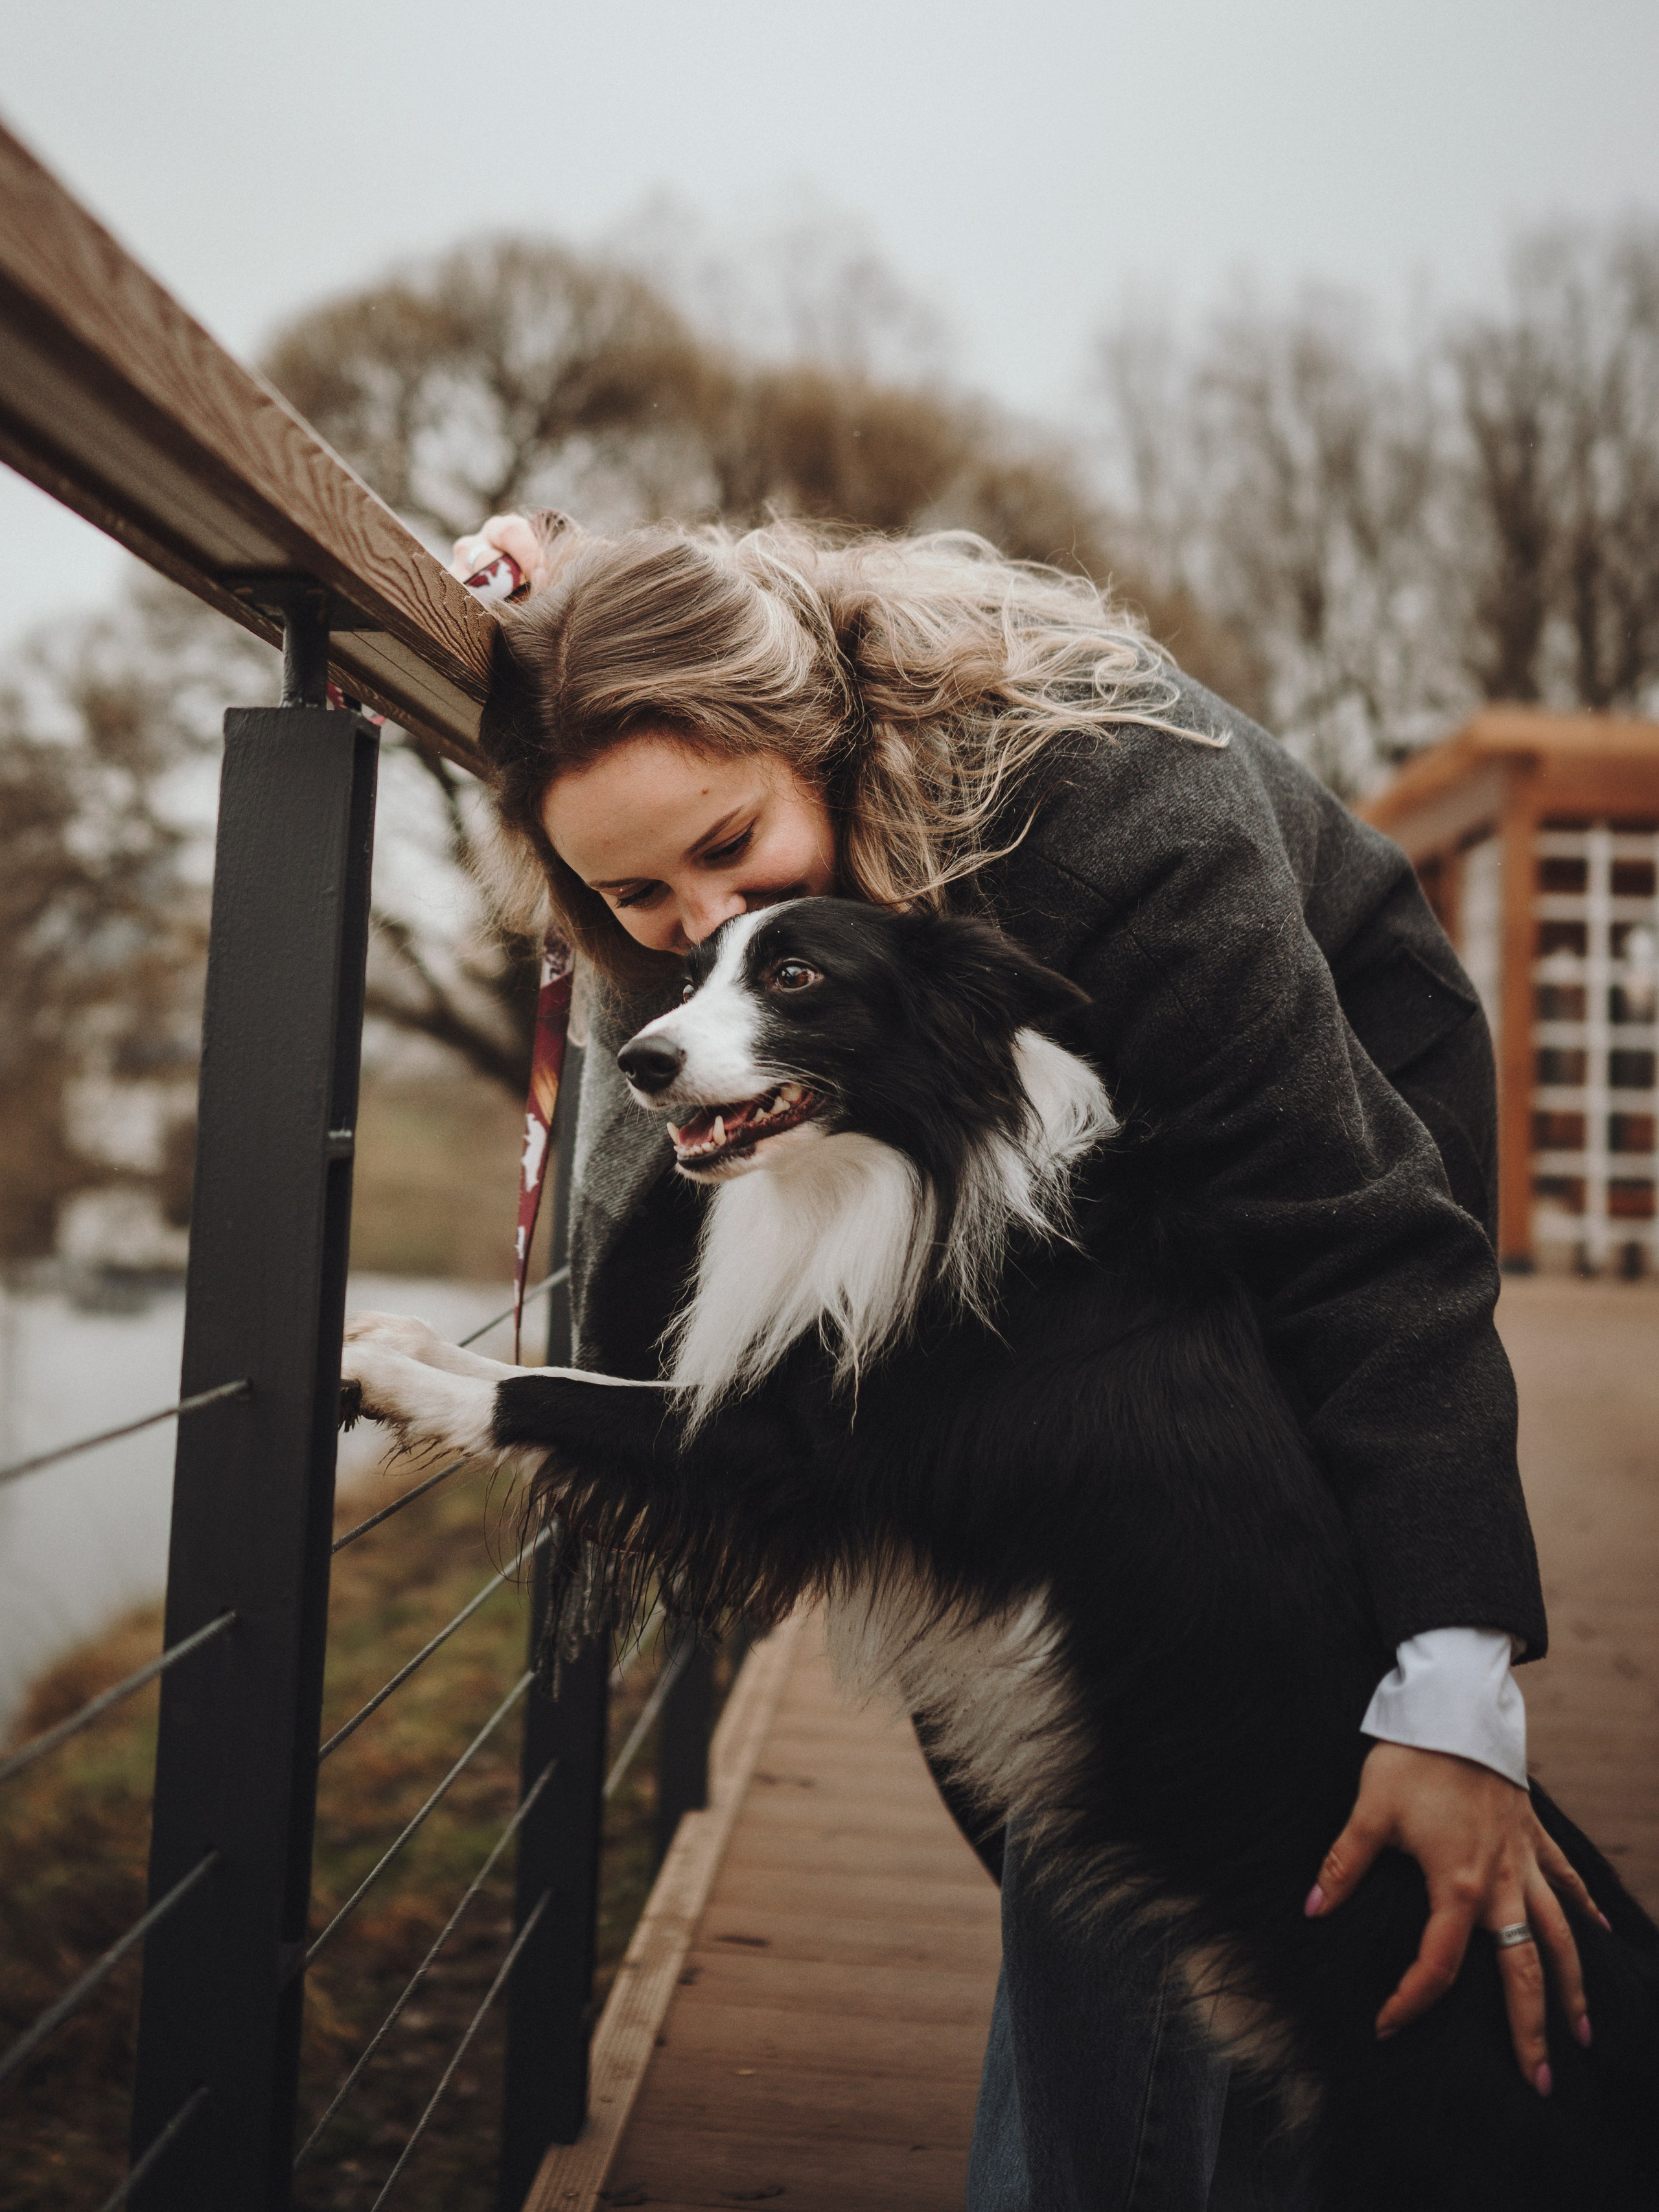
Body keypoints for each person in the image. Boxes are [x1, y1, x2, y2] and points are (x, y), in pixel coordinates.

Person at [452, 508, 1599, 2209]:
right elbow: (643, 1299)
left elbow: (1357, 1239)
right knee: (1058, 1766)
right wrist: (542, 635)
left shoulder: (1126, 815)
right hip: (1003, 1141)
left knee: (1151, 1673)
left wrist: (1454, 1688)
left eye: (730, 846)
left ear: (816, 736)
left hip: (1317, 1110)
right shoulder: (719, 914)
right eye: (638, 899)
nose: (701, 918)